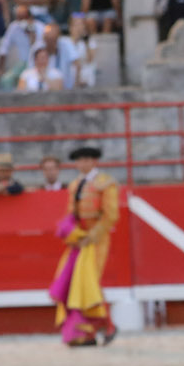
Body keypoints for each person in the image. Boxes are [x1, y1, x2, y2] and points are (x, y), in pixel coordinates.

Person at [51, 145, 119, 347]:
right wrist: (71, 234)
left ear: (94, 161)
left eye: (87, 160)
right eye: (79, 160)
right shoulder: (75, 184)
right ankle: (86, 334)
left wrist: (92, 236)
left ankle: (108, 326)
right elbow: (72, 213)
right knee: (76, 285)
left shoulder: (105, 183)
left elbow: (111, 215)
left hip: (96, 240)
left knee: (90, 284)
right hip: (79, 240)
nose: (82, 164)